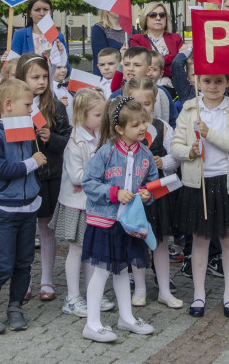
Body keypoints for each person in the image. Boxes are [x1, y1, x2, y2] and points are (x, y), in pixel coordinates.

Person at [79, 96, 159, 343]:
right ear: (119, 129)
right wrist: (113, 193)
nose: (142, 128)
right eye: (135, 125)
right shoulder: (106, 151)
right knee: (101, 272)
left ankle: (126, 317)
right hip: (105, 222)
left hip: (129, 223)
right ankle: (92, 323)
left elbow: (151, 185)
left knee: (123, 270)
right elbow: (88, 183)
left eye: (143, 122)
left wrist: (147, 194)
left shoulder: (145, 153)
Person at [171, 73, 229, 319]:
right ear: (197, 82)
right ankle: (198, 294)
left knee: (228, 240)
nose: (212, 86)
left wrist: (209, 134)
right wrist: (190, 151)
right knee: (200, 240)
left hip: (228, 182)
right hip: (198, 183)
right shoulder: (189, 109)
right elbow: (175, 146)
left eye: (218, 82)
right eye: (207, 81)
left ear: (227, 83)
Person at [0, 78, 47, 336]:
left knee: (24, 263)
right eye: (27, 105)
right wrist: (32, 164)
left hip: (28, 208)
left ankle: (15, 306)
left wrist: (39, 147)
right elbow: (0, 169)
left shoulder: (26, 127)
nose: (31, 110)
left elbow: (32, 156)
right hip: (5, 210)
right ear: (8, 105)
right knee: (3, 264)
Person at [14, 53, 72, 302]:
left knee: (47, 228)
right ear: (21, 78)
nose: (40, 81)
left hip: (49, 176)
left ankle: (47, 279)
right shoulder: (13, 103)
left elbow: (68, 137)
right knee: (25, 230)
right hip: (23, 176)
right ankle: (23, 279)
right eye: (34, 77)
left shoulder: (54, 104)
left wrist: (53, 139)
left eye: (44, 77)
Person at [49, 88, 109, 318]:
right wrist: (102, 175)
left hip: (94, 202)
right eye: (97, 115)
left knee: (92, 251)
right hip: (78, 204)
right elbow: (77, 176)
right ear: (81, 116)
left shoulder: (101, 136)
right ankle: (72, 297)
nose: (101, 119)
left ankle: (92, 292)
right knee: (76, 250)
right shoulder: (76, 141)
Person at [125, 77, 182, 309]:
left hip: (157, 195)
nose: (142, 109)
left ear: (154, 102)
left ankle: (164, 289)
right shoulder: (123, 129)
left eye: (147, 104)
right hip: (134, 195)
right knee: (138, 239)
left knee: (160, 240)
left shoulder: (162, 126)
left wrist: (163, 162)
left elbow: (176, 155)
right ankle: (139, 287)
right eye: (136, 103)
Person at [10, 0, 70, 75]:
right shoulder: (20, 35)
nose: (42, 13)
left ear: (51, 12)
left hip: (51, 84)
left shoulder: (58, 36)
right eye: (37, 10)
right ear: (30, 13)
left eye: (45, 10)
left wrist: (61, 56)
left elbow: (67, 69)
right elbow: (12, 67)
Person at [129, 2, 183, 78]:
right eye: (152, 15)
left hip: (172, 86)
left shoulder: (176, 38)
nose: (158, 18)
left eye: (162, 15)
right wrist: (175, 56)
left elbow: (181, 65)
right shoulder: (136, 40)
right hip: (147, 85)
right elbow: (142, 65)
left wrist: (155, 66)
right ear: (145, 18)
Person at [90, 11, 127, 76]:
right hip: (106, 77)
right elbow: (102, 58)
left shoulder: (129, 29)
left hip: (127, 75)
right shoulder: (99, 29)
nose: (119, 9)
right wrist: (121, 55)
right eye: (115, 6)